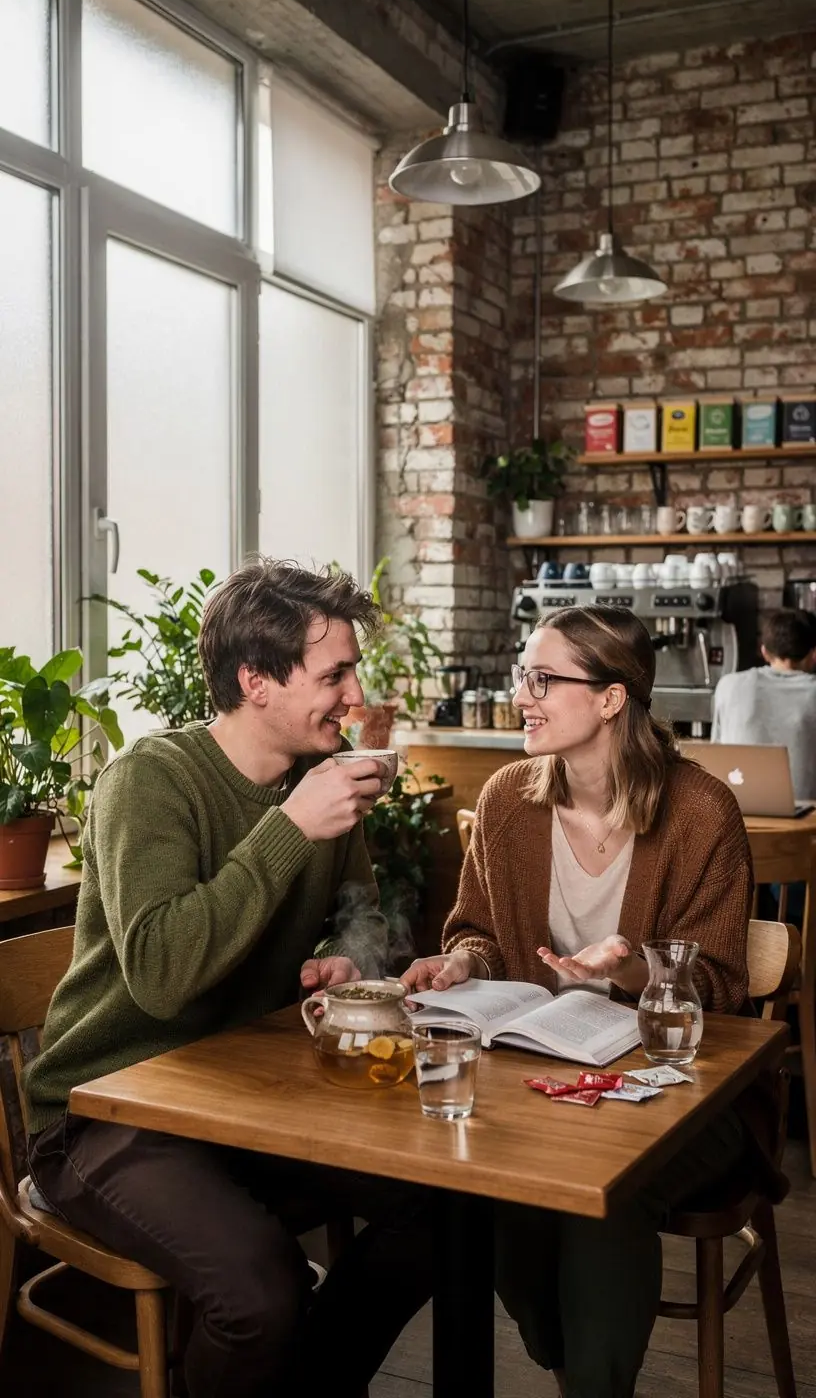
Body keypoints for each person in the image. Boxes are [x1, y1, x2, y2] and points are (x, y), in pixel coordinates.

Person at [24, 557, 432, 1398]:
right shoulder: (151, 780)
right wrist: (289, 828)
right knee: (261, 1293)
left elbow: (359, 914)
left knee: (448, 1209)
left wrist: (350, 955)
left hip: (244, 1101)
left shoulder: (321, 782)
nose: (356, 696)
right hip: (104, 1113)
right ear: (256, 681)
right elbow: (164, 979)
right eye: (335, 674)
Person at [401, 604, 783, 1398]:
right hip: (543, 1082)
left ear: (612, 698)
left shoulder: (700, 810)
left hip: (684, 1094)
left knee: (602, 1195)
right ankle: (573, 1367)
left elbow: (721, 985)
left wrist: (634, 972)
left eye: (544, 678)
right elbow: (477, 932)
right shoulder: (508, 800)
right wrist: (460, 965)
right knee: (486, 1188)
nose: (522, 695)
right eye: (522, 674)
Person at [712, 605, 816, 803]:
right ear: (813, 655)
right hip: (806, 824)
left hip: (739, 815)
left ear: (765, 652)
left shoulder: (728, 685)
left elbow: (716, 752)